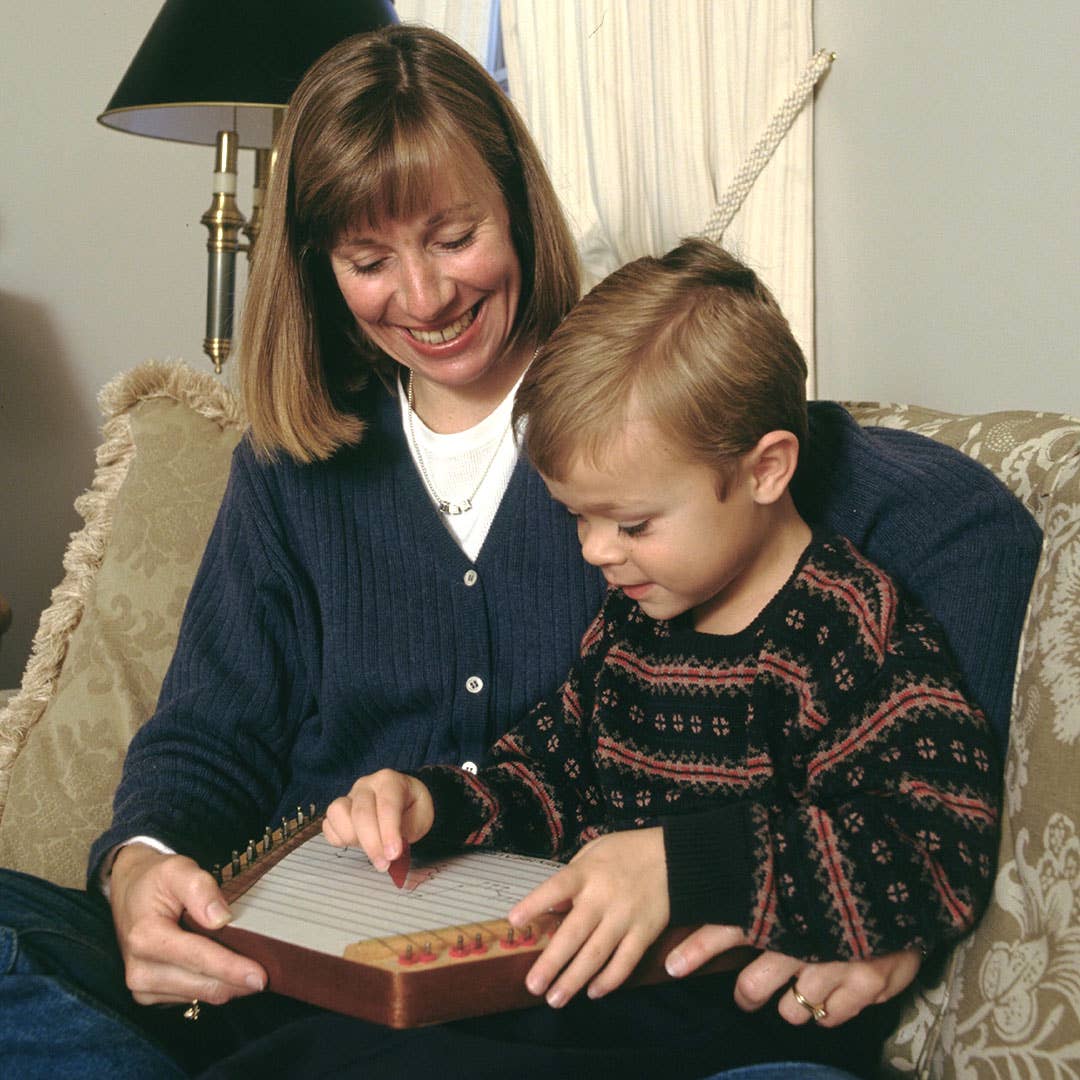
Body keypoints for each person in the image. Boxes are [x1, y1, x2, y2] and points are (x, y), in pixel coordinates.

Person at [0, 24, 1039, 1080]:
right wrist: (143, 868)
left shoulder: (650, 419)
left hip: (537, 1005)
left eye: (454, 237)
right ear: (319, 267)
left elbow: (952, 529)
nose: (422, 297)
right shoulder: (293, 468)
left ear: (518, 208)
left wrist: (884, 914)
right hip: (298, 974)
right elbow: (215, 740)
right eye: (368, 260)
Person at [324, 238, 1002, 1056]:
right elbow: (554, 774)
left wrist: (682, 866)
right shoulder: (635, 624)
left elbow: (934, 846)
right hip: (598, 996)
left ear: (766, 470)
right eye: (579, 516)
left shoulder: (845, 628)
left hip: (736, 1021)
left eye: (632, 524)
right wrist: (438, 805)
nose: (595, 552)